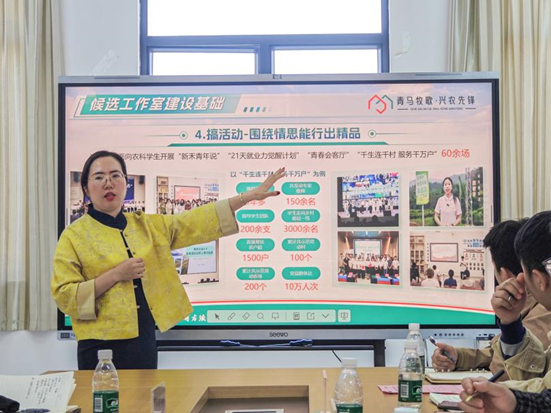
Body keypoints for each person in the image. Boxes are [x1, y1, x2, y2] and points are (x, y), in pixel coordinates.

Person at [51, 150, 285, 370]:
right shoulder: (74, 235)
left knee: (144, 398)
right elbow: (64, 295)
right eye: (99, 177)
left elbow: (193, 221)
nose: (108, 183)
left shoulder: (147, 225)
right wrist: (115, 275)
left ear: (125, 182)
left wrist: (246, 198)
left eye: (115, 175)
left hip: (143, 340)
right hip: (99, 346)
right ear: (86, 187)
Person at [433, 217, 551, 386]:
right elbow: (528, 358)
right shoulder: (527, 309)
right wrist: (460, 357)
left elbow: (504, 373)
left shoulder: (543, 312)